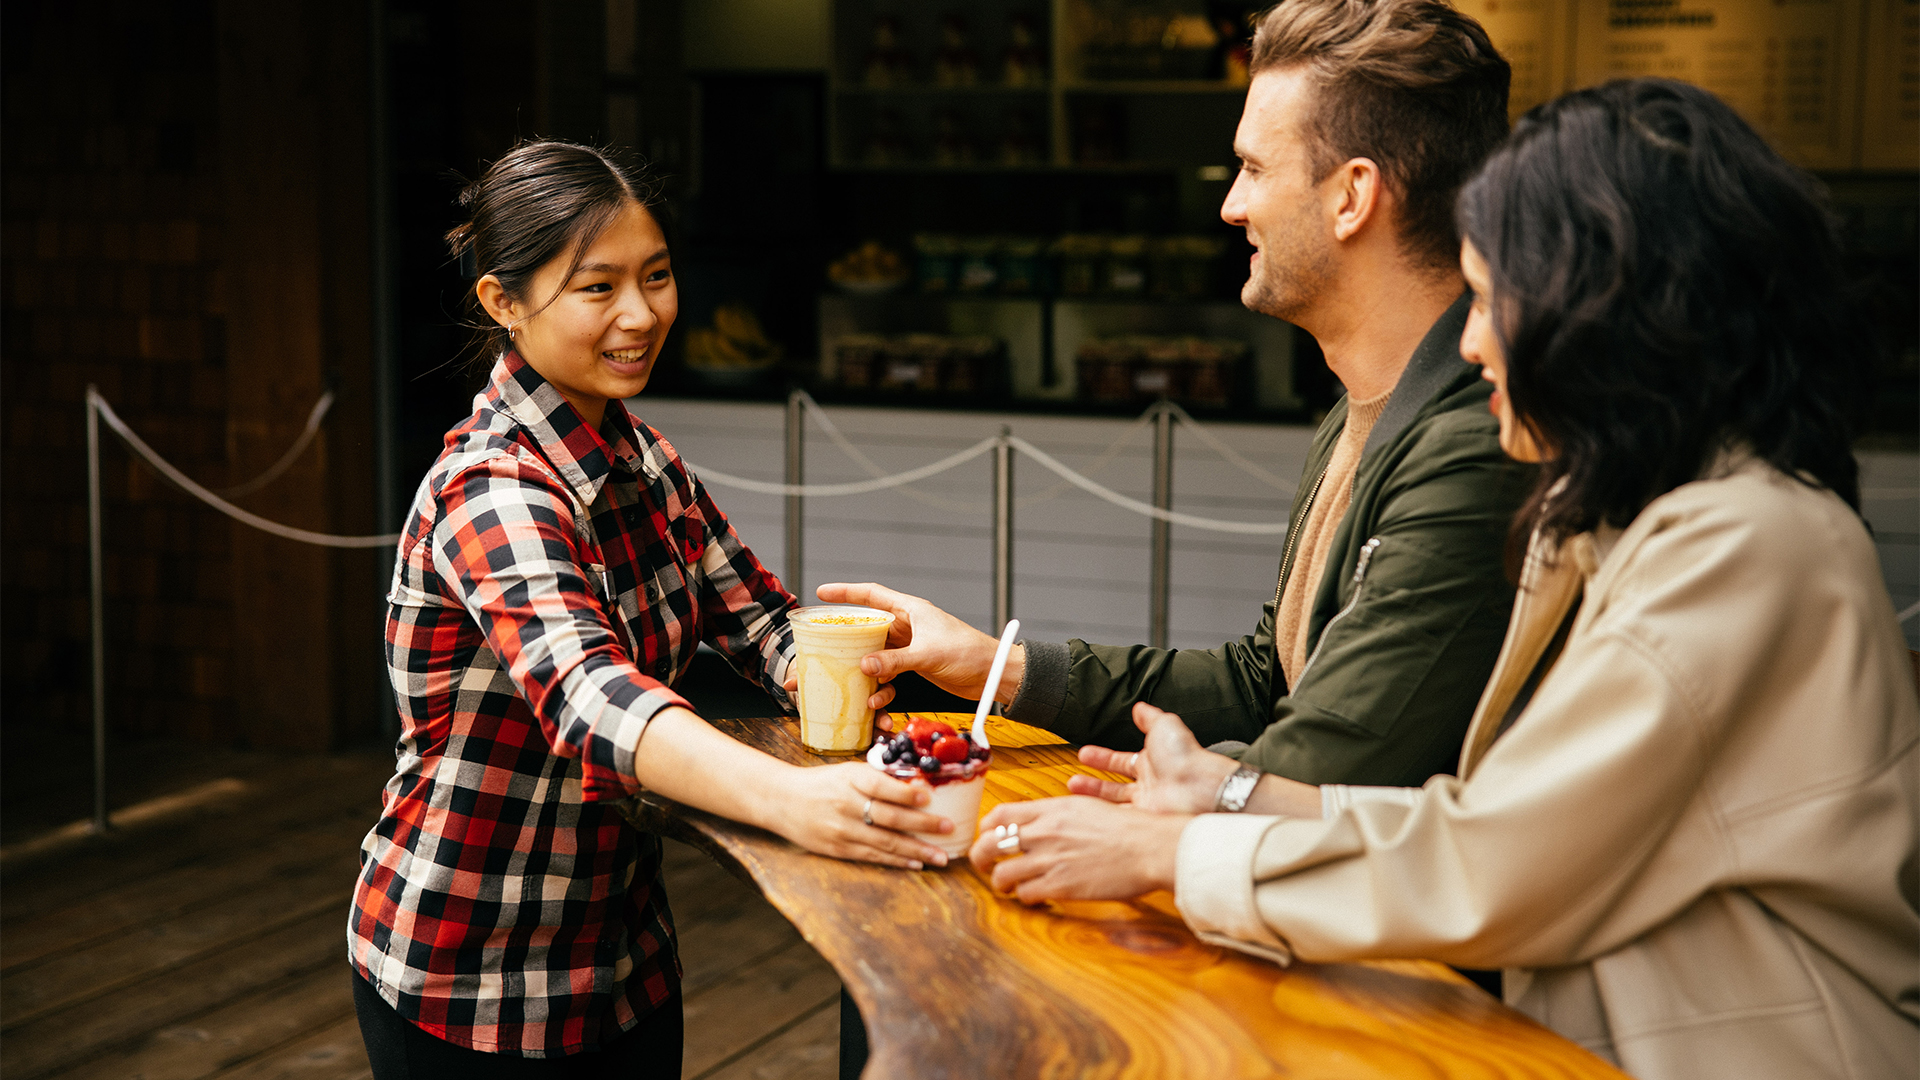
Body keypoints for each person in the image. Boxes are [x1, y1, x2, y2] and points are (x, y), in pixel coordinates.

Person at [968, 79, 1920, 1079]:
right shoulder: (1667, 517)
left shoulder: (1740, 544)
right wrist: (1235, 789)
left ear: (1604, 306)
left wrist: (1174, 853)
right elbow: (1495, 823)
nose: (1472, 341)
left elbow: (1498, 865)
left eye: (1496, 297)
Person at [822, 0, 1532, 801]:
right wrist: (998, 666)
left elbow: (1332, 764)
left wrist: (1179, 806)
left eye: (1255, 169)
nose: (1231, 205)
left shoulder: (1479, 441)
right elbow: (1268, 681)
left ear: (1352, 196)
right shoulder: (1368, 404)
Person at [348, 141, 954, 1079]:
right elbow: (590, 696)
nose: (641, 315)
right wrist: (799, 801)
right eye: (597, 288)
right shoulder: (493, 487)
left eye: (658, 277)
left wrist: (835, 669)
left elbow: (761, 619)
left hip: (620, 963)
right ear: (503, 303)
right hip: (468, 976)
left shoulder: (644, 459)